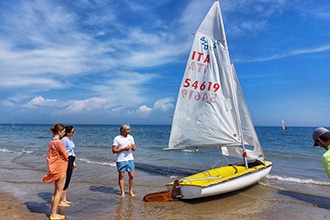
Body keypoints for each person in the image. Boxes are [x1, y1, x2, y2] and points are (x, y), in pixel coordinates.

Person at [42, 123, 68, 220]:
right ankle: (53, 214)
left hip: (54, 167)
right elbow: (66, 155)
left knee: (56, 191)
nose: (64, 133)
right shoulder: (59, 142)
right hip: (60, 168)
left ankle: (53, 213)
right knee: (58, 192)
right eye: (63, 131)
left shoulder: (51, 142)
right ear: (59, 132)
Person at [112, 124, 136, 198]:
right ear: (123, 130)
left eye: (129, 129)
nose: (129, 131)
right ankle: (122, 192)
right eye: (127, 130)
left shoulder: (131, 137)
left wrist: (132, 147)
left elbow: (134, 148)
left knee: (131, 176)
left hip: (130, 159)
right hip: (121, 159)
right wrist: (123, 149)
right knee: (121, 176)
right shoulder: (117, 138)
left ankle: (130, 191)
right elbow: (113, 150)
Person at [59, 125, 77, 207]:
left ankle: (64, 199)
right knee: (65, 180)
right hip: (67, 160)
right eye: (73, 131)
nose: (74, 132)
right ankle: (61, 200)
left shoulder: (70, 139)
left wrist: (73, 162)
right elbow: (62, 151)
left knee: (68, 179)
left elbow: (71, 151)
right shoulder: (64, 140)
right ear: (68, 132)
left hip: (71, 159)